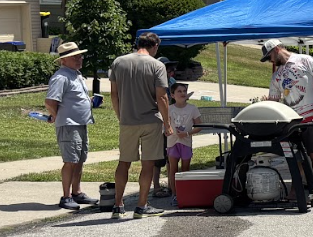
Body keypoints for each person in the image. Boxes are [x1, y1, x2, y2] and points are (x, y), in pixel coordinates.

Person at [108, 32, 173, 218]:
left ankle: (118, 204)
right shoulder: (157, 65)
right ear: (155, 46)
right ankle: (141, 205)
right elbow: (161, 97)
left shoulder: (119, 62)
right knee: (148, 164)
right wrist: (167, 124)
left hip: (127, 120)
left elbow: (114, 94)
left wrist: (120, 115)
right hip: (150, 120)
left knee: (124, 162)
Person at [261, 39, 313, 203]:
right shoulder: (276, 75)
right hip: (291, 119)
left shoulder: (304, 60)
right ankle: (296, 189)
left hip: (312, 114)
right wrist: (266, 103)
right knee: (293, 155)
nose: (270, 60)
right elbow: (274, 100)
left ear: (277, 49)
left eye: (269, 56)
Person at [45, 42, 96, 210]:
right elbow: (50, 101)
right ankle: (66, 196)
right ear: (64, 60)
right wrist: (56, 115)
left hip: (81, 123)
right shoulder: (61, 77)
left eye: (80, 56)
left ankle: (77, 192)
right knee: (70, 161)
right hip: (68, 125)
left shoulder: (76, 74)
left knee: (80, 160)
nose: (80, 59)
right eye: (76, 56)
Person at [165, 83, 201, 205]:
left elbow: (198, 126)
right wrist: (167, 131)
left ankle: (185, 192)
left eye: (184, 91)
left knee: (185, 169)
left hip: (186, 142)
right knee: (173, 169)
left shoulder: (192, 108)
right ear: (173, 95)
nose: (182, 93)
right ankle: (175, 194)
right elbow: (166, 125)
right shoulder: (169, 109)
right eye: (179, 91)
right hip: (172, 142)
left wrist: (186, 133)